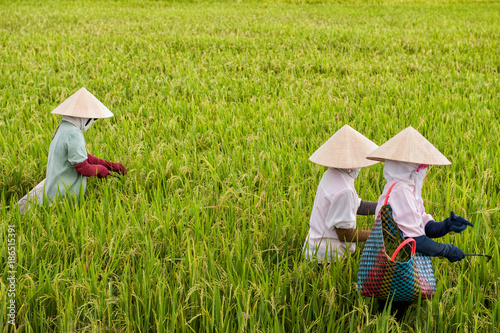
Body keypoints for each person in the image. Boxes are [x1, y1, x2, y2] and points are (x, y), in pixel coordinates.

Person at [366, 126, 473, 319]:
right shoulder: (400, 191)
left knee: (391, 309)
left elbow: (425, 228)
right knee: (392, 312)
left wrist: (446, 225)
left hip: (395, 262)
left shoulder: (408, 189)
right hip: (395, 265)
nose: (422, 170)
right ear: (407, 166)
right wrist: (447, 251)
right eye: (419, 166)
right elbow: (417, 240)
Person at [17, 87, 127, 214]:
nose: (92, 122)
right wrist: (100, 170)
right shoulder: (74, 133)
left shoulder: (63, 127)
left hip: (54, 184)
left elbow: (83, 156)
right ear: (85, 117)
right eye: (94, 119)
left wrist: (110, 166)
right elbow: (82, 167)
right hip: (63, 195)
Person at [303, 125, 380, 262]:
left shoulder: (331, 174)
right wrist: (379, 236)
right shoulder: (344, 190)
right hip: (328, 258)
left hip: (314, 248)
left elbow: (356, 205)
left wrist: (382, 206)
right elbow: (345, 234)